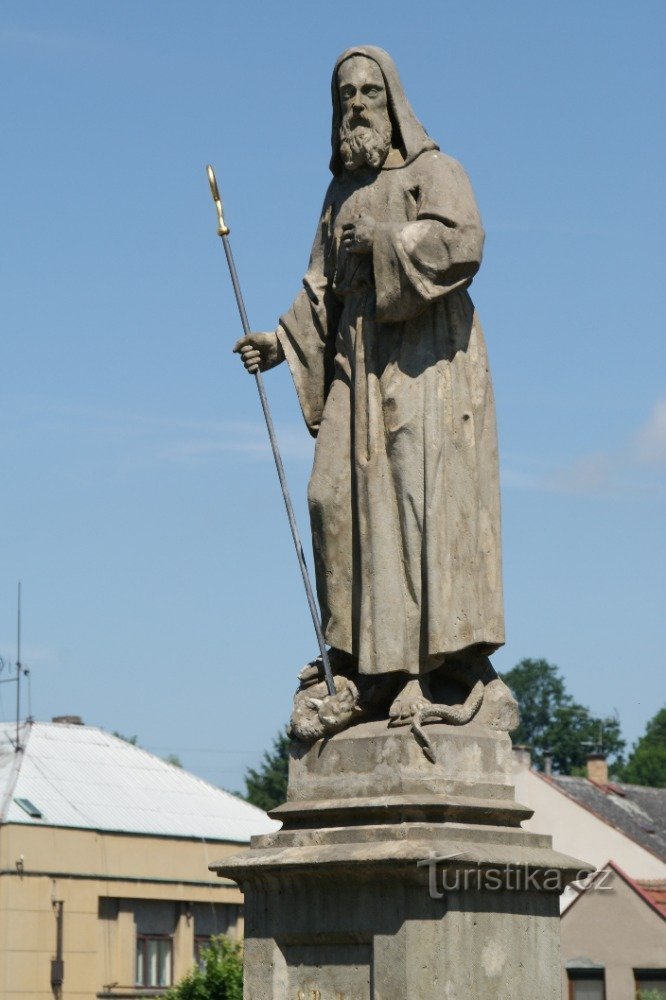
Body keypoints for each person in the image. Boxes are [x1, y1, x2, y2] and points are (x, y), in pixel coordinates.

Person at [234, 46, 505, 732]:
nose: (354, 105)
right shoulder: (338, 193)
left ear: (394, 103)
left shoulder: (434, 171)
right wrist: (279, 343)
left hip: (424, 369)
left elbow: (464, 242)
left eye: (367, 92)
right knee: (333, 500)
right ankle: (355, 663)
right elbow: (318, 290)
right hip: (354, 370)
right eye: (344, 95)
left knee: (415, 510)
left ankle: (422, 674)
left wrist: (384, 240)